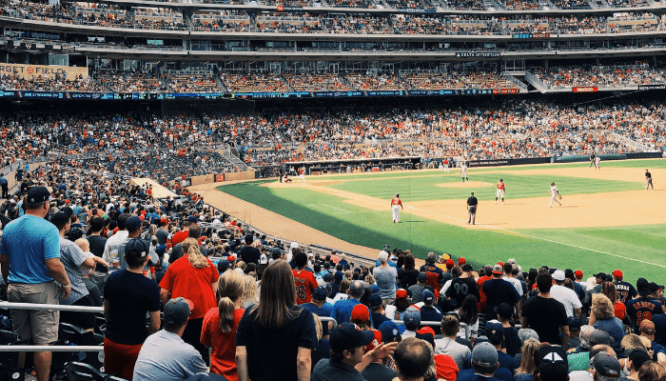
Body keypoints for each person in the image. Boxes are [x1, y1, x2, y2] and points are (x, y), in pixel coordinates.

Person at [0, 186, 70, 381]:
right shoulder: (48, 229)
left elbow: (3, 261)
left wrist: (8, 282)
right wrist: (66, 284)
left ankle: (16, 376)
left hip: (14, 287)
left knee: (21, 340)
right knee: (43, 343)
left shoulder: (9, 227)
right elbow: (53, 264)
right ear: (46, 204)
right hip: (41, 290)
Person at [236, 260, 318, 381]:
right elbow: (303, 361)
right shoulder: (303, 316)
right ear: (290, 285)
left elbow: (240, 355)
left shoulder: (250, 313)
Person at [103, 238, 161, 380]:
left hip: (111, 341)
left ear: (124, 257)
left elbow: (106, 312)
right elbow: (156, 325)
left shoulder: (113, 278)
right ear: (146, 259)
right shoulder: (151, 287)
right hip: (135, 345)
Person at [160, 237, 220, 364]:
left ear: (182, 250)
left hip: (181, 313)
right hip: (205, 312)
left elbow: (163, 292)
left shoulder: (176, 265)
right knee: (202, 351)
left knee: (180, 350)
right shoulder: (208, 263)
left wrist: (168, 306)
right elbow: (215, 289)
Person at [133, 297, 209, 381]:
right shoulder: (189, 353)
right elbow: (208, 376)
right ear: (186, 321)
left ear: (163, 317)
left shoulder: (150, 340)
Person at [311, 322, 397, 381]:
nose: (365, 347)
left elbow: (346, 374)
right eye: (361, 345)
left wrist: (371, 356)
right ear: (347, 353)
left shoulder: (320, 366)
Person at [201, 269, 245, 381]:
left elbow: (206, 343)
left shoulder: (210, 315)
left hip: (216, 376)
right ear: (242, 292)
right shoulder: (247, 318)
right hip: (241, 376)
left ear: (219, 292)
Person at [521, 272, 569, 347]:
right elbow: (566, 332)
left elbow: (523, 327)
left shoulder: (528, 303)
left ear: (536, 285)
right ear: (552, 284)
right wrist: (562, 348)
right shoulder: (559, 306)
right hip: (553, 346)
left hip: (534, 346)